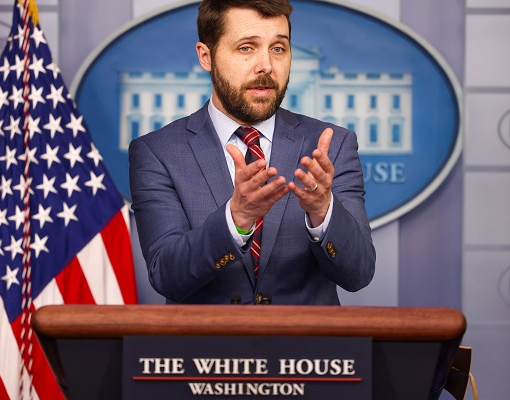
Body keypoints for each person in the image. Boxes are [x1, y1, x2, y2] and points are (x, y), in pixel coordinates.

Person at [129, 0, 375, 305]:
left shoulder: (332, 144)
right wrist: (237, 218)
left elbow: (359, 274)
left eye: (278, 48)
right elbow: (167, 276)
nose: (266, 66)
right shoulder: (157, 152)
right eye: (246, 48)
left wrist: (323, 212)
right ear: (206, 56)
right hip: (206, 350)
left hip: (309, 350)